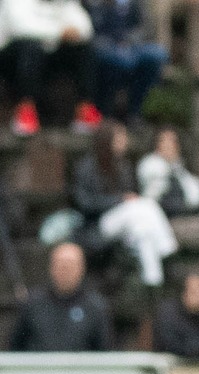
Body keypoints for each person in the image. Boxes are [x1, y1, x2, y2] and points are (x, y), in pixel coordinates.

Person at [74, 121, 182, 288]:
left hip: (127, 224)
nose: (125, 140)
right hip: (99, 224)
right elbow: (84, 203)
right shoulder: (87, 167)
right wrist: (120, 200)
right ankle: (167, 249)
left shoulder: (123, 166)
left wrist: (126, 200)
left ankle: (153, 284)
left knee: (143, 233)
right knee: (143, 205)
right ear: (107, 139)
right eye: (120, 136)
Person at [0, 0, 97, 137]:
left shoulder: (64, 3)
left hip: (44, 54)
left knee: (82, 48)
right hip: (4, 58)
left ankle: (84, 110)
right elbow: (22, 29)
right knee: (31, 47)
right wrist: (61, 32)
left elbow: (85, 28)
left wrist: (71, 33)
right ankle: (25, 110)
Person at [138, 127, 199, 276]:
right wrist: (188, 207)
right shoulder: (152, 169)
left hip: (189, 219)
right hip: (167, 224)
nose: (171, 146)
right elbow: (158, 203)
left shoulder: (180, 170)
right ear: (156, 145)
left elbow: (198, 197)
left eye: (174, 141)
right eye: (166, 141)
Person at [9, 241, 115, 350]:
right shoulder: (32, 303)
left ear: (82, 268)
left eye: (70, 265)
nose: (65, 270)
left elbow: (104, 350)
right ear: (51, 267)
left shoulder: (95, 307)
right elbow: (15, 346)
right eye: (61, 264)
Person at [87, 0, 166, 123]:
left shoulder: (135, 3)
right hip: (103, 46)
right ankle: (104, 111)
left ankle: (135, 110)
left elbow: (145, 27)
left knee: (157, 54)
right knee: (118, 61)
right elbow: (89, 28)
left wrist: (129, 40)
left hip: (132, 45)